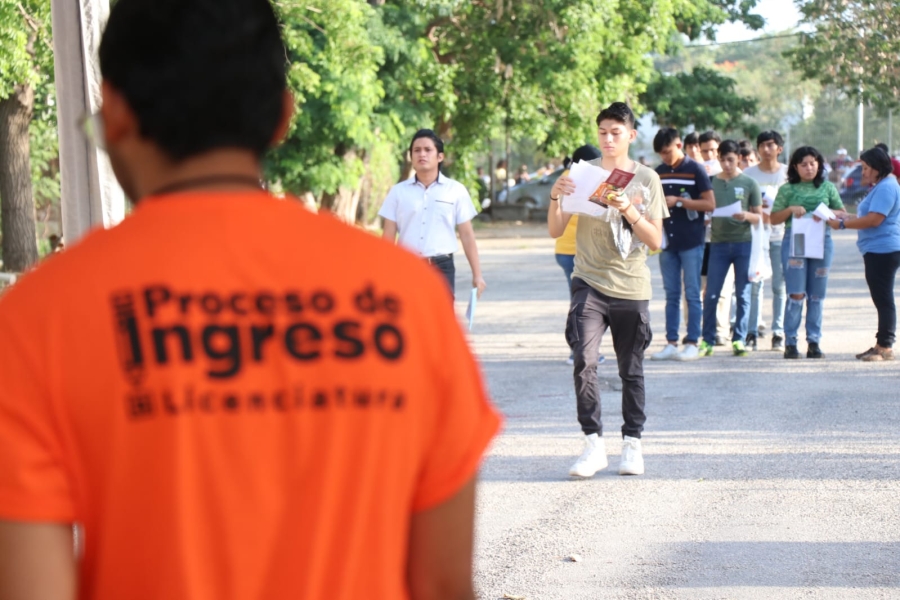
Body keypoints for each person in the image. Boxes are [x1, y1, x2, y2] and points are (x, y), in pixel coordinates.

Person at [0, 2, 502, 600]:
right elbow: (443, 584)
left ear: (114, 114)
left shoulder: (38, 318)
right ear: (282, 117)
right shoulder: (406, 300)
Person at [548, 102, 668, 478]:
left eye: (616, 132)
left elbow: (655, 241)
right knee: (584, 361)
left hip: (631, 285)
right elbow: (555, 229)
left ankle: (632, 445)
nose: (608, 139)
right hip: (588, 280)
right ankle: (593, 444)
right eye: (602, 132)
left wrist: (629, 209)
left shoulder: (647, 179)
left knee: (631, 369)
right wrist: (555, 196)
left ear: (631, 135)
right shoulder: (583, 174)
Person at [380, 129, 487, 299]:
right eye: (417, 150)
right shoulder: (397, 192)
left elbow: (467, 234)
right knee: (409, 314)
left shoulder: (455, 190)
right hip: (407, 266)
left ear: (440, 157)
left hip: (442, 267)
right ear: (411, 156)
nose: (422, 154)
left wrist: (477, 274)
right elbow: (388, 236)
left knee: (441, 315)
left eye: (428, 150)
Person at [770, 146, 845, 359]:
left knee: (817, 295)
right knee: (796, 293)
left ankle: (814, 341)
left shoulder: (828, 187)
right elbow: (773, 218)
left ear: (819, 165)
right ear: (795, 167)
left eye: (813, 163)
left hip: (822, 240)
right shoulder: (787, 189)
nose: (809, 168)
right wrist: (790, 210)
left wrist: (825, 213)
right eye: (804, 164)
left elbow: (842, 213)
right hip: (796, 240)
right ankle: (790, 342)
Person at [649, 127, 715, 362]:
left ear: (679, 146)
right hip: (667, 242)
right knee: (671, 294)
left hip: (691, 241)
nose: (665, 157)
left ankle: (693, 342)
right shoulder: (658, 173)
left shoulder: (695, 169)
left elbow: (710, 204)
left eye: (667, 151)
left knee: (693, 293)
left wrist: (680, 201)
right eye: (661, 154)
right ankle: (671, 342)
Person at [830, 147, 900, 361]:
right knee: (880, 297)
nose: (864, 172)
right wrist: (846, 216)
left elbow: (874, 220)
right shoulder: (881, 186)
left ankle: (885, 346)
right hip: (877, 248)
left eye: (867, 168)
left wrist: (842, 225)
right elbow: (869, 215)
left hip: (883, 249)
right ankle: (881, 344)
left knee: (883, 298)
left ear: (878, 167)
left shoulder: (886, 186)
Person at [698, 140, 762, 357]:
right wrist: (707, 217)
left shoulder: (749, 183)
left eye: (731, 160)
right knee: (711, 293)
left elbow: (759, 216)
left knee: (743, 294)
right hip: (718, 244)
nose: (726, 164)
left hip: (744, 243)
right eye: (723, 160)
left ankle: (739, 339)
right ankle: (707, 340)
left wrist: (747, 215)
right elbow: (704, 208)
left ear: (739, 159)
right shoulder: (711, 182)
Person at [554, 144, 606, 366]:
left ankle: (580, 350)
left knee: (580, 302)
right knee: (586, 304)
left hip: (564, 250)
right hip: (579, 251)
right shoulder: (584, 180)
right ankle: (580, 352)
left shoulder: (563, 178)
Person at [743, 130, 789, 351]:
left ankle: (778, 332)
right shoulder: (748, 174)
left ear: (779, 149)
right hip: (755, 236)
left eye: (771, 145)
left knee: (779, 286)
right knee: (755, 284)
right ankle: (751, 332)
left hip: (780, 235)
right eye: (762, 145)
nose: (766, 149)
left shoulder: (787, 174)